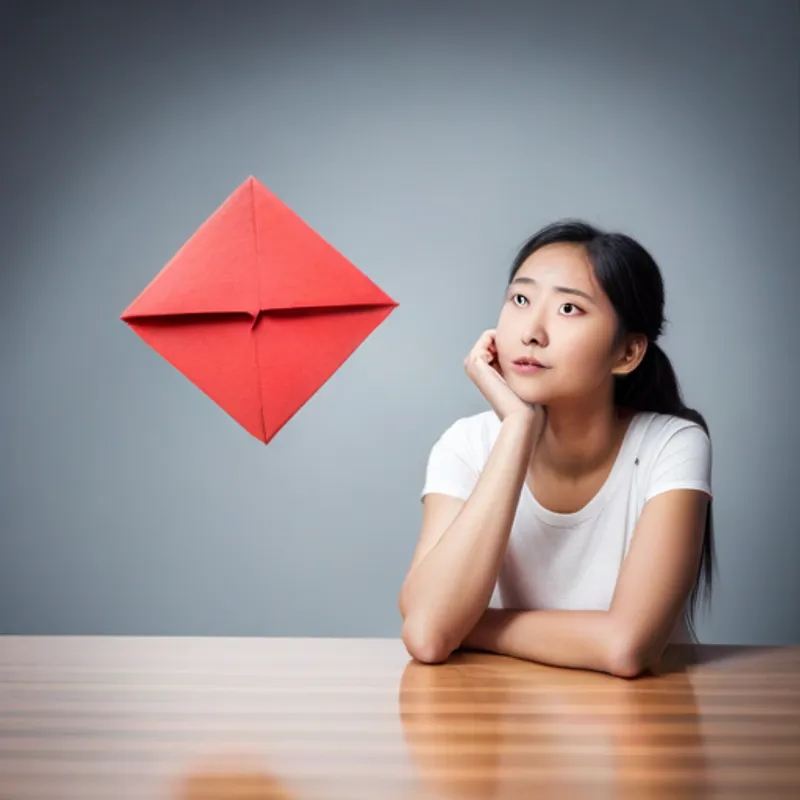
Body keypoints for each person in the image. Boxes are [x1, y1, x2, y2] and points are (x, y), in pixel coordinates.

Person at [398, 220, 715, 678]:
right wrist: (517, 429)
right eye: (520, 300)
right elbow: (428, 637)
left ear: (627, 353)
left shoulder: (673, 445)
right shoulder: (466, 444)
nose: (532, 332)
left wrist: (467, 626)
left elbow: (627, 648)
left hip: (638, 725)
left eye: (569, 308)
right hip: (510, 721)